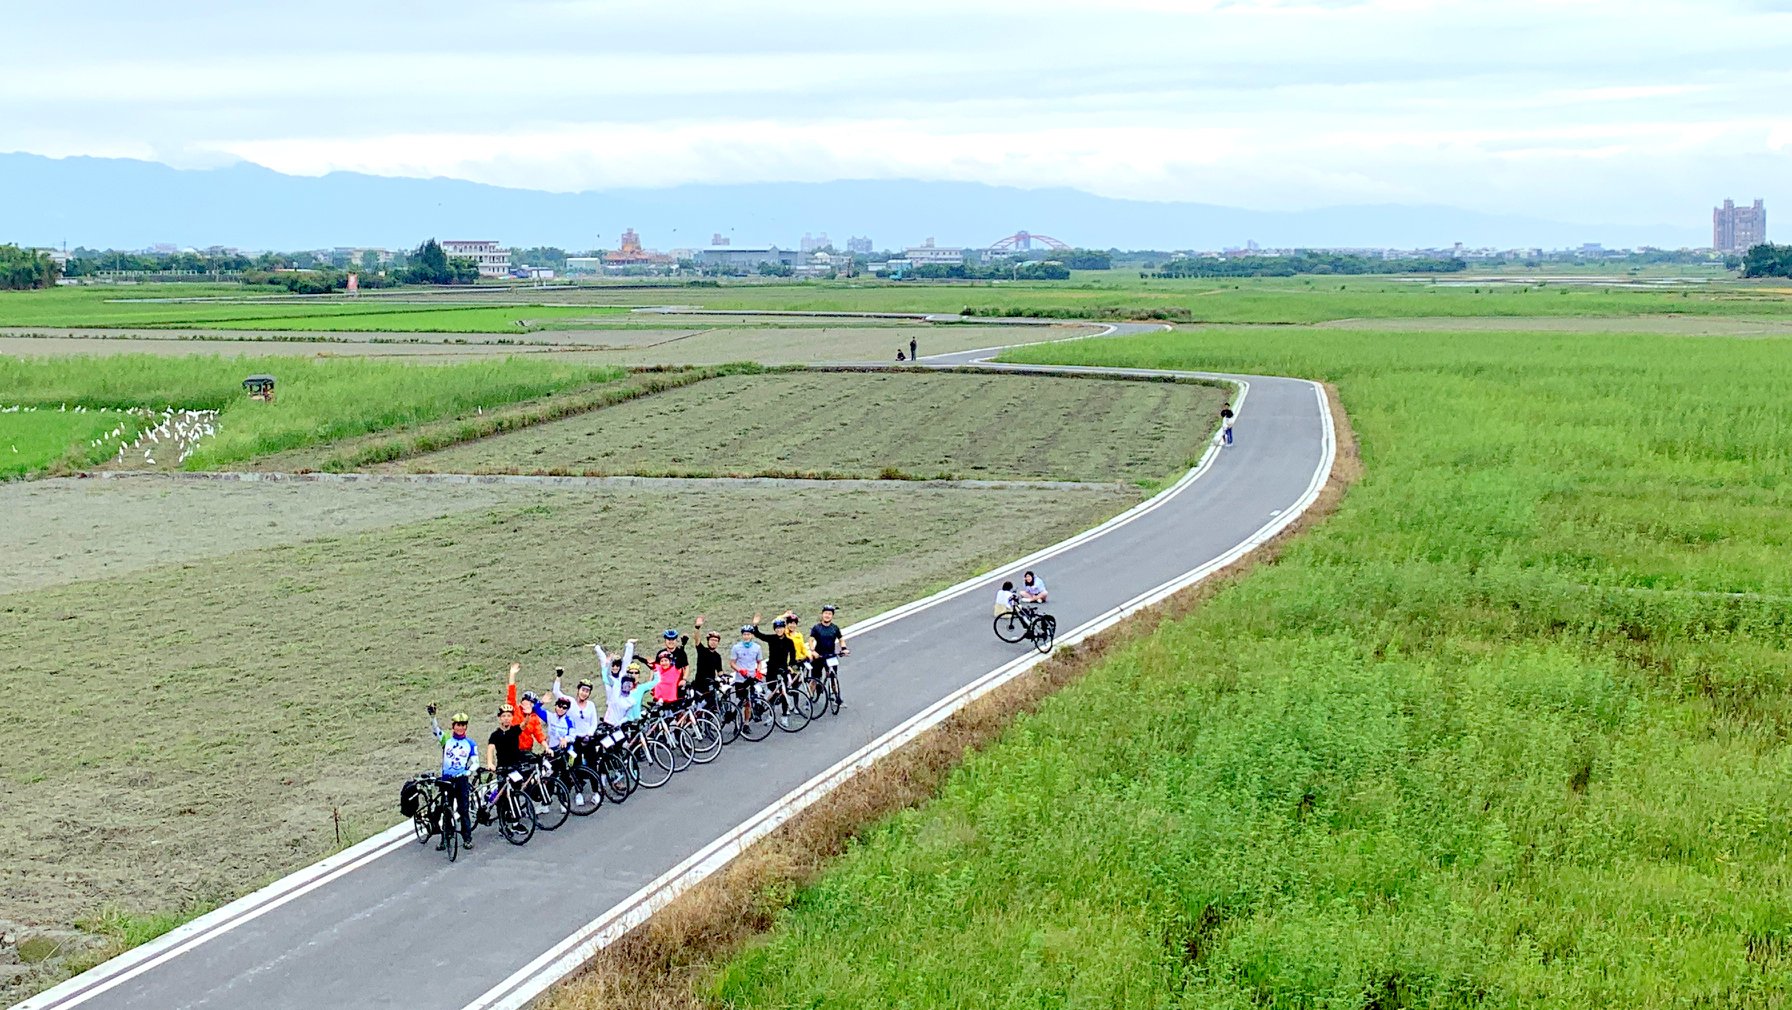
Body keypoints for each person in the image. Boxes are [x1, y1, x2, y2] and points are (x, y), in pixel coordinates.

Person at [427, 706, 477, 850]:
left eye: (463, 725)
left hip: (461, 779)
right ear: (453, 726)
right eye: (458, 725)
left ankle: (467, 838)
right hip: (447, 780)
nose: (460, 728)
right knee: (446, 809)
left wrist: (468, 771)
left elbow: (475, 762)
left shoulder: (470, 743)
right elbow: (436, 730)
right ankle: (444, 838)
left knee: (463, 809)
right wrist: (433, 717)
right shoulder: (447, 739)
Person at [551, 668, 601, 744]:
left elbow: (593, 723)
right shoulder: (570, 702)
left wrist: (589, 734)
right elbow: (556, 692)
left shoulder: (591, 705)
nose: (584, 693)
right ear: (578, 690)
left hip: (587, 740)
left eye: (587, 691)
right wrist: (558, 677)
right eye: (583, 690)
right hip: (573, 739)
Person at [690, 616, 724, 703]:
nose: (713, 642)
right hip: (699, 684)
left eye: (716, 640)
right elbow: (697, 640)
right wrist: (697, 627)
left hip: (711, 684)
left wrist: (724, 678)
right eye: (712, 640)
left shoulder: (717, 656)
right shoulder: (702, 650)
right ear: (708, 641)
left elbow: (719, 670)